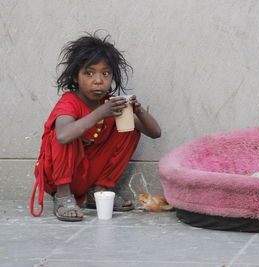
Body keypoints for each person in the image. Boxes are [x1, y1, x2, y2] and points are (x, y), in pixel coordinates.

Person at [30, 32, 161, 221]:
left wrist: (138, 111)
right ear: (76, 77)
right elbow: (63, 136)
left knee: (129, 127)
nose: (98, 80)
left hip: (88, 173)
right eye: (89, 73)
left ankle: (98, 192)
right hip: (60, 178)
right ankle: (63, 197)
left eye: (105, 73)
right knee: (66, 133)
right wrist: (101, 112)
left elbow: (155, 133)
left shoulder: (111, 102)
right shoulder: (69, 102)